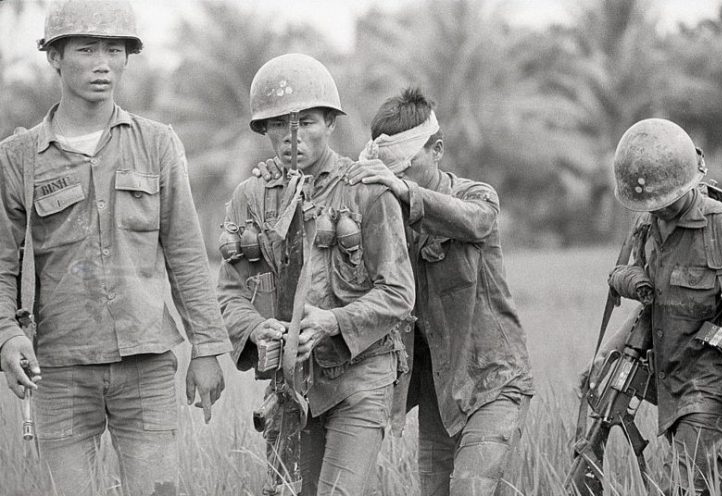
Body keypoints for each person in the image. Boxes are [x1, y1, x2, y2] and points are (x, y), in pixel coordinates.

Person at [0, 1, 232, 495]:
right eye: (86, 49)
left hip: (146, 364)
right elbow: (1, 263)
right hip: (61, 369)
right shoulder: (17, 159)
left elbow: (187, 254)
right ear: (55, 58)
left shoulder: (158, 144)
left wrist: (207, 349)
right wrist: (7, 336)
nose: (103, 63)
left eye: (115, 49)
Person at [216, 53, 415, 496]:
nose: (293, 137)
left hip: (360, 375)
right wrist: (256, 329)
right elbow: (229, 296)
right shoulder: (249, 198)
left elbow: (399, 293)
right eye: (279, 124)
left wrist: (332, 322)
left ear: (329, 123)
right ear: (264, 130)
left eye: (306, 121)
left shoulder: (364, 190)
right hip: (290, 385)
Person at [343, 87, 535, 495]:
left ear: (438, 150)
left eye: (405, 169)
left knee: (469, 487)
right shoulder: (386, 216)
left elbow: (477, 222)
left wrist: (405, 193)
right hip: (438, 392)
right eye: (390, 172)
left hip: (492, 380)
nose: (396, 180)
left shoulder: (476, 197)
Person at [588, 118, 722, 495]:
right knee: (699, 474)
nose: (659, 211)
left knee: (684, 472)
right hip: (668, 374)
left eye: (666, 202)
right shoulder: (648, 229)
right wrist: (605, 356)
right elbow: (649, 308)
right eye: (650, 205)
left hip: (710, 376)